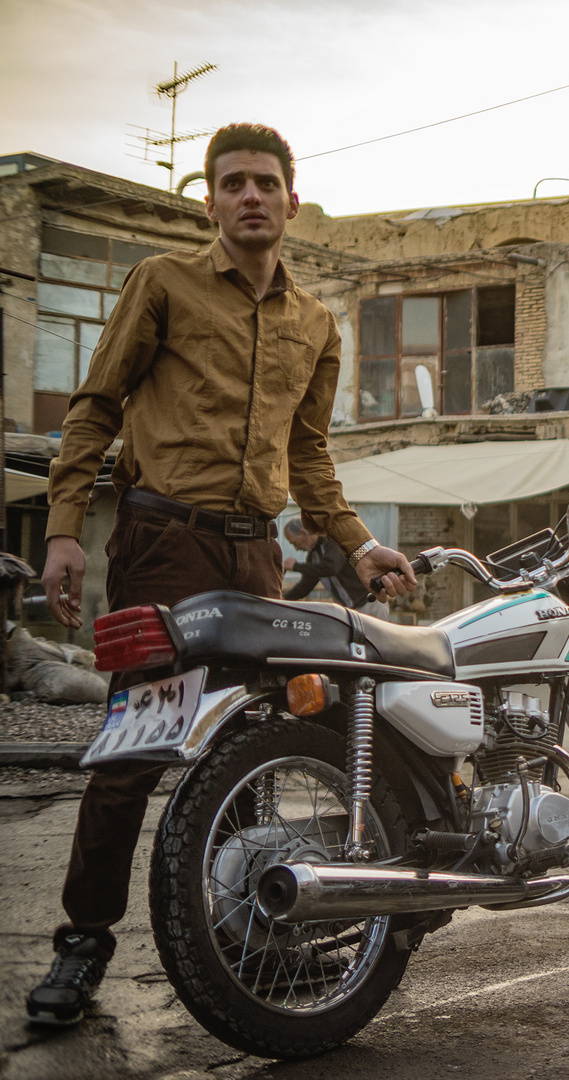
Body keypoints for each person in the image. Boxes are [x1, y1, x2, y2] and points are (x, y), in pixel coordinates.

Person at [26, 123, 417, 1027]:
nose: (249, 195)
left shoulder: (316, 324)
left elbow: (311, 457)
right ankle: (83, 944)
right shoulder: (161, 284)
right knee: (136, 749)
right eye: (232, 182)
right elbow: (95, 407)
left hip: (256, 557)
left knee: (255, 746)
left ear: (290, 199)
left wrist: (357, 543)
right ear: (210, 200)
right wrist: (64, 531)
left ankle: (243, 928)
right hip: (162, 547)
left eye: (265, 183)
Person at [281, 517, 389, 618]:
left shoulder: (332, 541)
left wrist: (296, 566)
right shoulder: (313, 556)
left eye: (294, 543)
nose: (296, 548)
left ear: (303, 533)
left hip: (369, 604)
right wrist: (283, 599)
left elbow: (331, 567)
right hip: (351, 610)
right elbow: (306, 585)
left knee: (376, 638)